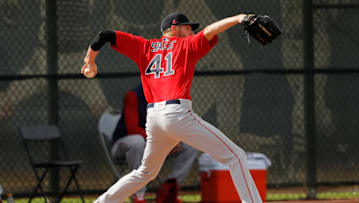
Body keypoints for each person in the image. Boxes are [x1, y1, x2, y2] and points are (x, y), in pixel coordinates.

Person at [82, 11, 263, 203]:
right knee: (236, 156)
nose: (191, 31)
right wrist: (240, 18)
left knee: (145, 172)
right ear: (174, 28)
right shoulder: (186, 45)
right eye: (187, 27)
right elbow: (210, 31)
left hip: (154, 119)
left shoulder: (145, 46)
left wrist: (90, 60)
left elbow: (105, 35)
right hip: (177, 113)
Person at [111, 84, 198, 203]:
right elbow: (132, 128)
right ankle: (138, 195)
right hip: (124, 145)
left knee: (190, 145)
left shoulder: (167, 96)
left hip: (154, 144)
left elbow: (171, 124)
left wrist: (172, 139)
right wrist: (163, 139)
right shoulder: (133, 96)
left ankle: (169, 189)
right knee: (137, 141)